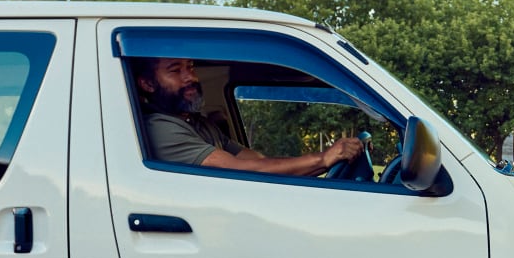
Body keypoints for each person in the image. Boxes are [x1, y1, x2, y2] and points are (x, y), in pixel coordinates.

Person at [133, 57, 363, 176]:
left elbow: (258, 161)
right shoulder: (160, 128)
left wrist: (318, 163)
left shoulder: (197, 123)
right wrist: (322, 159)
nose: (190, 77)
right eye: (175, 70)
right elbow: (237, 170)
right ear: (147, 84)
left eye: (191, 67)